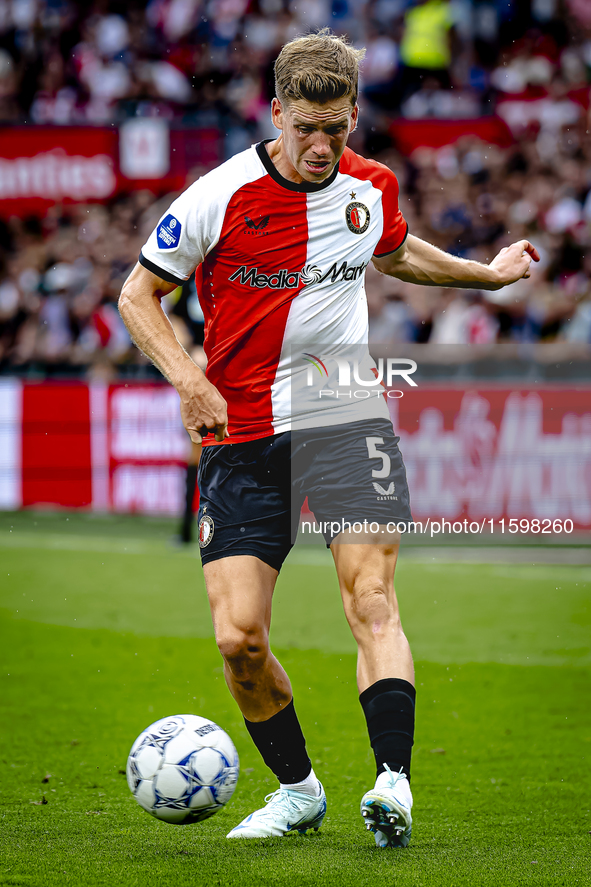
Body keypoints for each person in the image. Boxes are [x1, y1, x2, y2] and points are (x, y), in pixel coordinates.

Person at [119, 29, 538, 848]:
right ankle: (299, 790)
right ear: (276, 112)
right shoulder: (217, 195)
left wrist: (484, 274)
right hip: (241, 429)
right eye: (305, 128)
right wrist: (189, 378)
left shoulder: (369, 186)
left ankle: (393, 783)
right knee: (238, 638)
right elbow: (140, 296)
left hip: (346, 411)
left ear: (353, 118)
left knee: (371, 598)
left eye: (337, 129)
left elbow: (395, 250)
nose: (320, 146)